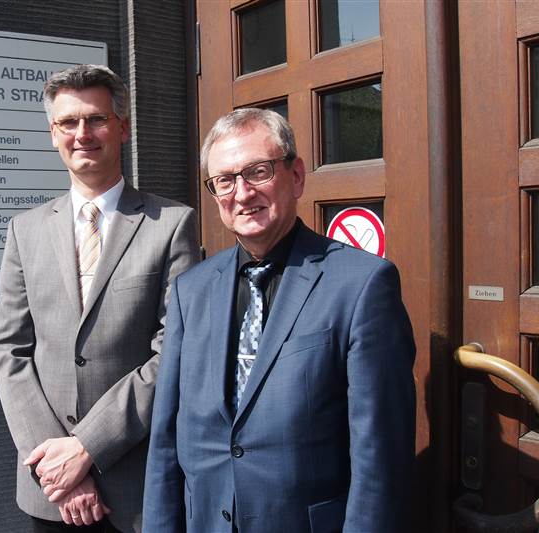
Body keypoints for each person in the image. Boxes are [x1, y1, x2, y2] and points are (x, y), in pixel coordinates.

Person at [143, 108, 416, 533]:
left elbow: (381, 457)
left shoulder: (362, 285)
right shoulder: (189, 291)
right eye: (225, 180)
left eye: (258, 171)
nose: (242, 192)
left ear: (297, 176)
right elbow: (165, 441)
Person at [0, 64, 199, 533]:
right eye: (68, 122)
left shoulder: (171, 225)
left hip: (136, 487)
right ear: (53, 134)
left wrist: (86, 447)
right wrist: (58, 467)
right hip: (51, 492)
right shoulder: (25, 231)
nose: (82, 133)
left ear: (122, 128)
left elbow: (175, 353)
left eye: (96, 119)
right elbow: (9, 351)